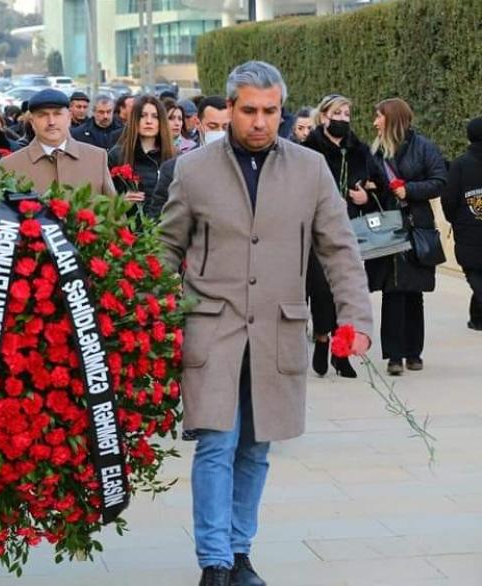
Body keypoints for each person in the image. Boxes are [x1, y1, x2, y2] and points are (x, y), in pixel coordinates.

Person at [158, 61, 373, 586]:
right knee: (217, 443)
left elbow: (340, 249)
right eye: (249, 110)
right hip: (212, 328)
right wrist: (149, 316)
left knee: (257, 447)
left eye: (270, 111)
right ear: (229, 109)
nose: (260, 122)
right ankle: (214, 561)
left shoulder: (310, 169)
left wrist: (356, 317)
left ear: (282, 109)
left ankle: (239, 551)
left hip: (278, 329)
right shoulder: (194, 170)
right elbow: (167, 247)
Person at [302, 94, 388, 377]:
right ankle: (322, 338)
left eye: (347, 114)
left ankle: (341, 353)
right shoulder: (307, 150)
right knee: (322, 289)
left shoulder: (359, 150)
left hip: (349, 227)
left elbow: (382, 185)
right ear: (324, 116)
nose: (342, 119)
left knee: (346, 287)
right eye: (337, 113)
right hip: (315, 230)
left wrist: (366, 195)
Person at [365, 98, 447, 375]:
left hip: (415, 227)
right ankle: (394, 356)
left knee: (413, 292)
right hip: (387, 228)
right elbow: (367, 181)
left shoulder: (424, 147)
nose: (375, 122)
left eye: (379, 116)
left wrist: (409, 190)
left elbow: (439, 181)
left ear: (392, 119)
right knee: (392, 291)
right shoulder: (376, 152)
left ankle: (413, 352)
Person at [0, 88, 116, 196]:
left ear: (69, 117)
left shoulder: (96, 158)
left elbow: (114, 214)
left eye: (57, 114)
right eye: (43, 115)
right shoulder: (11, 165)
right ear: (32, 122)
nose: (51, 122)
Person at [442, 117, 482, 331]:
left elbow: (448, 198)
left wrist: (454, 219)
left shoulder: (460, 164)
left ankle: (477, 318)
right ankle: (477, 319)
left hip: (467, 230)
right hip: (469, 228)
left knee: (474, 272)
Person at [108, 95, 175, 213]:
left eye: (155, 117)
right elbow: (104, 198)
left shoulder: (175, 157)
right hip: (128, 226)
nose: (149, 121)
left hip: (164, 226)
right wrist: (120, 202)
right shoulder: (117, 155)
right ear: (135, 119)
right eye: (143, 116)